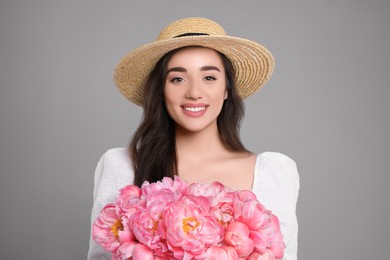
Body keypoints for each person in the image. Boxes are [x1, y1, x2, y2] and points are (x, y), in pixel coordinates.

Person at [88, 17, 299, 259]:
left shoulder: (274, 173)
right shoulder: (122, 167)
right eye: (177, 79)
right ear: (161, 90)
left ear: (227, 89)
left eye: (209, 77)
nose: (194, 93)